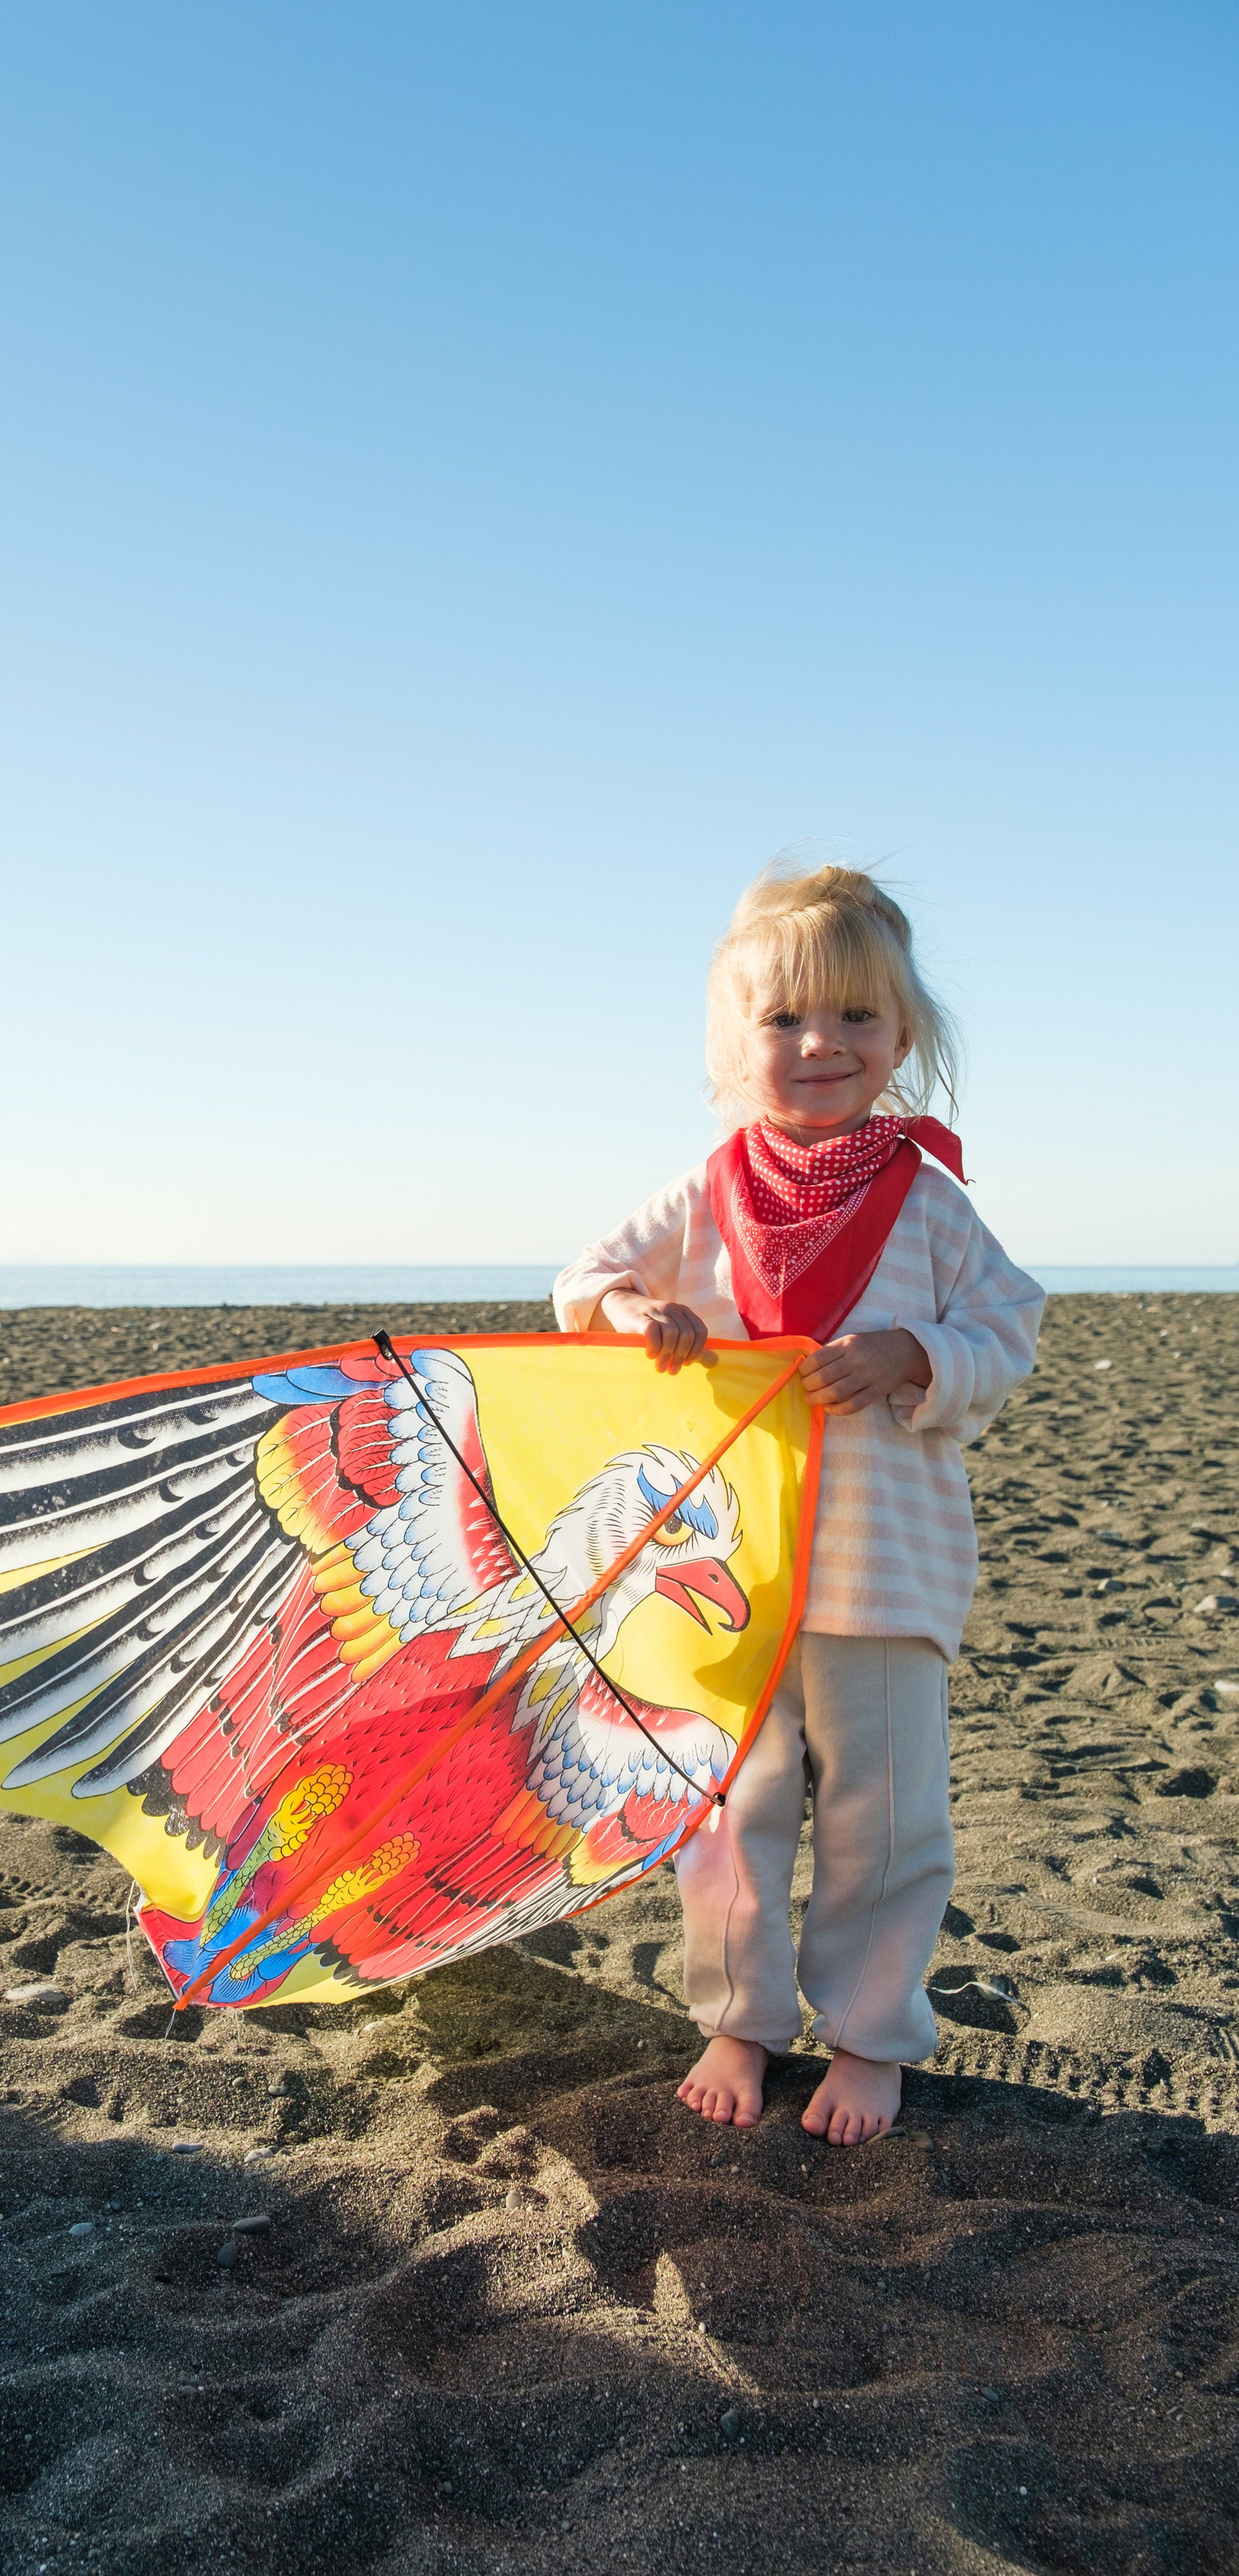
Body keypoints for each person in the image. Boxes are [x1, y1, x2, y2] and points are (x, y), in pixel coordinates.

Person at [552, 864, 1042, 2145]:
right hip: (731, 1573)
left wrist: (915, 1358)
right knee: (730, 1811)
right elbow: (583, 1278)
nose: (820, 1044)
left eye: (855, 1019)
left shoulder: (930, 1202)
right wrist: (630, 1314)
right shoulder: (706, 1188)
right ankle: (740, 2015)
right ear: (734, 1043)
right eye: (784, 1022)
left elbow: (1009, 1328)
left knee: (884, 1817)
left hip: (884, 1568)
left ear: (903, 1039)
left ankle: (872, 2036)